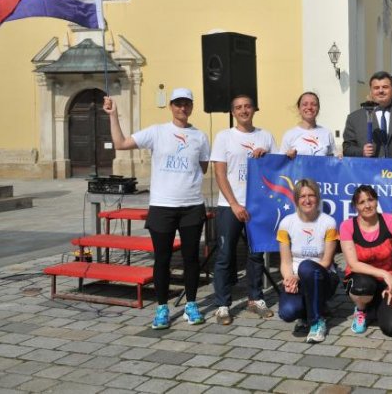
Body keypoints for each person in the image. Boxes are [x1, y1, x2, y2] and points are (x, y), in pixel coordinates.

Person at [103, 88, 210, 329]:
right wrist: (113, 115)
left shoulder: (200, 136)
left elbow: (202, 167)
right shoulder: (157, 132)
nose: (182, 108)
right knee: (162, 259)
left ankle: (191, 305)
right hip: (163, 207)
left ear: (191, 107)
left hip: (192, 205)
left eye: (187, 104)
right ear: (171, 106)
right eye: (178, 104)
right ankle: (162, 307)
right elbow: (120, 143)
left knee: (191, 259)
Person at [210, 95, 276, 326]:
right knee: (225, 255)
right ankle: (222, 305)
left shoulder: (265, 136)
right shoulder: (224, 137)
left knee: (256, 255)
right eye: (238, 107)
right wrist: (235, 204)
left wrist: (266, 155)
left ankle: (255, 298)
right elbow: (219, 174)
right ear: (233, 112)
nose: (244, 110)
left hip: (257, 206)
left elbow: (274, 170)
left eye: (247, 106)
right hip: (230, 206)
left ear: (254, 109)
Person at [276, 179, 339, 343]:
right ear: (296, 199)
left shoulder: (328, 222)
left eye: (311, 195)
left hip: (323, 277)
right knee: (287, 312)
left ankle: (317, 322)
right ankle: (305, 314)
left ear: (317, 198)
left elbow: (326, 262)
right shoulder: (286, 223)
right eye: (302, 196)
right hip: (297, 277)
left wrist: (299, 276)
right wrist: (289, 278)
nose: (307, 200)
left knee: (306, 267)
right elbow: (285, 261)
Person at [340, 185, 392, 336]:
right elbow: (353, 264)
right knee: (363, 286)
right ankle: (361, 309)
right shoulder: (347, 226)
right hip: (361, 279)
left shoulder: (390, 221)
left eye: (370, 199)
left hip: (387, 281)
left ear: (376, 201)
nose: (367, 205)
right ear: (356, 206)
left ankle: (376, 306)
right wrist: (384, 274)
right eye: (361, 202)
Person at [343, 71, 392, 158]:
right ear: (371, 91)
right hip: (368, 170)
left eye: (385, 87)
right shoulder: (354, 118)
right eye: (376, 88)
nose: (381, 91)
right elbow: (347, 148)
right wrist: (361, 151)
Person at [280, 92, 337, 157]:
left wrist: (339, 157)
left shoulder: (327, 133)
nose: (309, 107)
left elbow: (333, 161)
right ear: (299, 108)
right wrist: (287, 157)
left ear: (318, 108)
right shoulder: (289, 135)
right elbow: (281, 163)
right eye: (305, 104)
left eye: (314, 104)